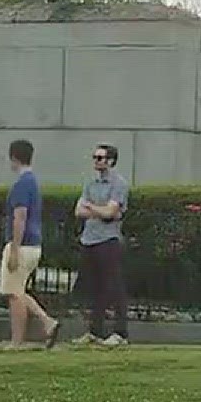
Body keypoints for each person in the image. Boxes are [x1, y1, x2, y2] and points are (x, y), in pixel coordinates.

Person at [0, 138, 60, 350]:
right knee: (19, 290)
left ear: (13, 157)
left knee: (13, 293)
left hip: (22, 245)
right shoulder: (32, 181)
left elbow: (20, 217)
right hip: (33, 244)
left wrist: (14, 248)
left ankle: (18, 340)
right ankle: (46, 322)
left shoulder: (21, 184)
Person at [73, 143, 131, 347]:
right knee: (95, 287)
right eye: (95, 157)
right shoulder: (90, 182)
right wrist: (102, 211)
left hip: (109, 240)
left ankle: (120, 333)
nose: (96, 161)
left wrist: (96, 209)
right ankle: (95, 331)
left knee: (115, 287)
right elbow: (79, 211)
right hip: (89, 238)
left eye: (100, 158)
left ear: (111, 161)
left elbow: (111, 212)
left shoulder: (119, 183)